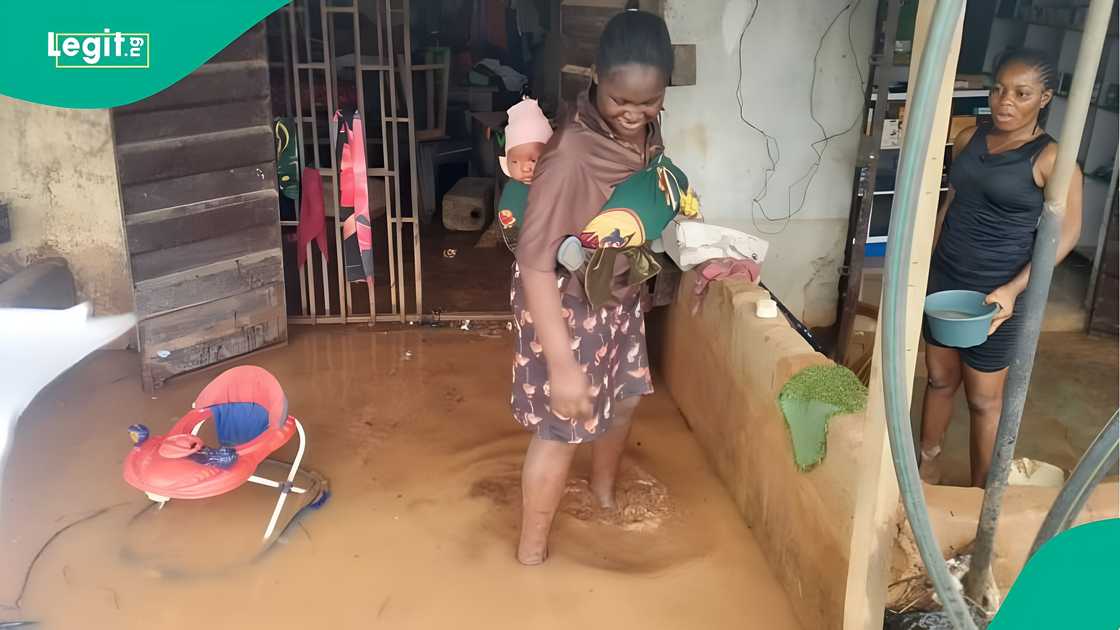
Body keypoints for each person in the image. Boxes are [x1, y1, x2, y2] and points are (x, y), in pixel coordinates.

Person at [509, 6, 674, 565]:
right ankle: (531, 553)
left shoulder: (646, 129)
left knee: (624, 399)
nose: (634, 115)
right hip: (563, 301)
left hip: (617, 291)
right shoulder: (572, 156)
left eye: (648, 102)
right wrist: (561, 365)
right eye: (621, 101)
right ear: (596, 80)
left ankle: (603, 493)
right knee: (562, 426)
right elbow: (534, 266)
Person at [918, 49, 1083, 487]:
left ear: (1044, 97)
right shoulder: (968, 138)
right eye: (999, 89)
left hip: (999, 295)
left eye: (1022, 93)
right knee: (938, 379)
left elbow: (1066, 234)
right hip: (947, 281)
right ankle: (925, 467)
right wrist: (924, 271)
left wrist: (1013, 290)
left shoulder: (1052, 159)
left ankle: (980, 493)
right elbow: (951, 204)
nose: (1005, 101)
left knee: (983, 401)